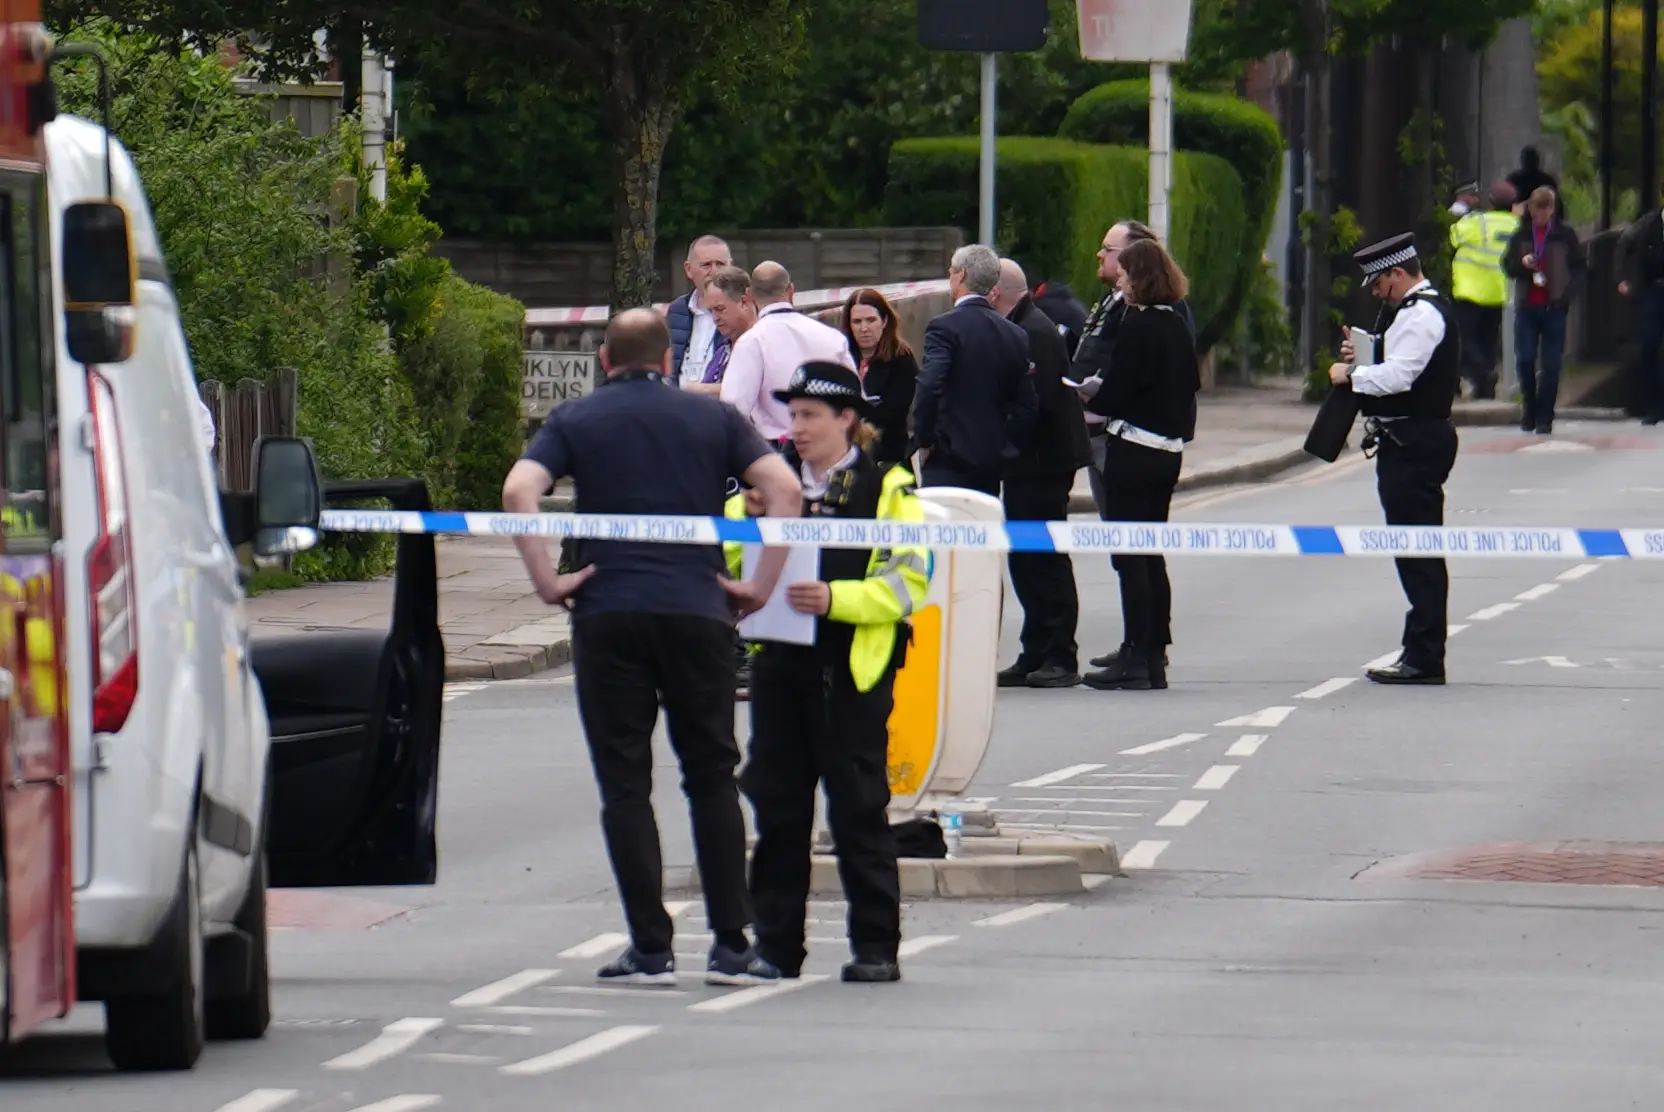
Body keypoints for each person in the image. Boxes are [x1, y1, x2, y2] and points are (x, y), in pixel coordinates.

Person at [501, 308, 804, 986]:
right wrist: (757, 585)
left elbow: (519, 489)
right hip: (698, 611)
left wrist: (549, 580)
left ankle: (651, 948)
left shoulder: (575, 420)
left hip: (608, 613)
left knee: (625, 783)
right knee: (711, 778)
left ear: (605, 361)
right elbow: (783, 489)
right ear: (669, 363)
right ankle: (731, 945)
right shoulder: (714, 419)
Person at [722, 360, 931, 985]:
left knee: (859, 811)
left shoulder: (890, 487)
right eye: (792, 415)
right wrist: (748, 518)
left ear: (848, 420)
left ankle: (875, 947)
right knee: (779, 809)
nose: (797, 428)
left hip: (851, 674)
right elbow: (735, 563)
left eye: (810, 415)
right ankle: (776, 948)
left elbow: (909, 581)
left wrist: (837, 600)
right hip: (782, 666)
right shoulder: (769, 485)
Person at [1329, 232, 1461, 686]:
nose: (1374, 293)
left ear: (1398, 273)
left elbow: (1401, 376)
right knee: (1412, 547)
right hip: (1410, 439)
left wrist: (1352, 373)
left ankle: (1424, 657)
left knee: (1418, 549)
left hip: (1415, 441)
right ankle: (1418, 649)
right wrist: (1366, 354)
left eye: (1378, 284)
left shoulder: (1421, 314)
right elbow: (1399, 362)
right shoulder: (1414, 311)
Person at [1071, 219, 1196, 671]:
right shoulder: (1175, 324)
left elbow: (1119, 390)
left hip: (1133, 450)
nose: (1119, 282)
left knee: (1131, 551)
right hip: (1166, 451)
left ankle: (1139, 657)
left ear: (1140, 277)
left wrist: (1091, 392)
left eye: (1125, 275)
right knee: (1147, 551)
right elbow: (1188, 385)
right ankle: (1147, 650)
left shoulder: (1139, 325)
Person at [988, 258, 1091, 689]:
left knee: (1044, 558)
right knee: (1025, 557)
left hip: (1043, 462)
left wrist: (1003, 444)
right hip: (1027, 463)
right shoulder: (1023, 325)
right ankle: (1034, 649)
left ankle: (1060, 654)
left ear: (998, 294)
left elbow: (1036, 402)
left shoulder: (1033, 332)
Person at [912, 243, 1038, 495]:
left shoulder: (943, 328)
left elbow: (929, 386)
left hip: (946, 459)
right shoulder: (1015, 334)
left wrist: (925, 439)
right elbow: (1026, 406)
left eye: (951, 272)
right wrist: (1004, 449)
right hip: (990, 464)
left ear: (961, 276)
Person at [720, 261, 855, 447]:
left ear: (749, 295)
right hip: (832, 447)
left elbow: (732, 410)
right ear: (791, 290)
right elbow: (855, 396)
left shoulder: (751, 342)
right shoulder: (833, 337)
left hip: (780, 453)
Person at [1502, 186, 1585, 434]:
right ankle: (1529, 408)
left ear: (1551, 209)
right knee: (1525, 359)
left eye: (1544, 210)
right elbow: (1507, 266)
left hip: (1554, 306)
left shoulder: (1565, 235)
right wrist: (1522, 264)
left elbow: (1580, 268)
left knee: (1551, 365)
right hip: (1528, 306)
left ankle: (1545, 415)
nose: (1539, 216)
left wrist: (1567, 296)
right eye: (1535, 211)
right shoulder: (1522, 235)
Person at [1448, 180, 1518, 399]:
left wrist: (1458, 210)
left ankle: (1483, 374)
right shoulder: (1517, 226)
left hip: (1471, 291)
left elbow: (1453, 236)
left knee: (1462, 339)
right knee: (1488, 341)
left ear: (1491, 201)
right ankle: (1485, 390)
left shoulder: (1479, 222)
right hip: (1499, 293)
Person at [839, 287, 918, 466]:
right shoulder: (842, 356)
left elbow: (893, 411)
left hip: (887, 456)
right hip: (845, 457)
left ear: (884, 321)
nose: (864, 328)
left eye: (871, 320)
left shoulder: (901, 358)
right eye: (857, 322)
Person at [1615, 196, 1664, 426]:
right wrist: (1622, 278)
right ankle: (1654, 406)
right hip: (1654, 288)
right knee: (1648, 346)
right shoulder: (1649, 223)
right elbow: (1624, 243)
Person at [667, 234, 734, 387]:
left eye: (721, 264)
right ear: (688, 269)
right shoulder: (678, 310)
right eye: (706, 265)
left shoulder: (740, 310)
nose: (714, 271)